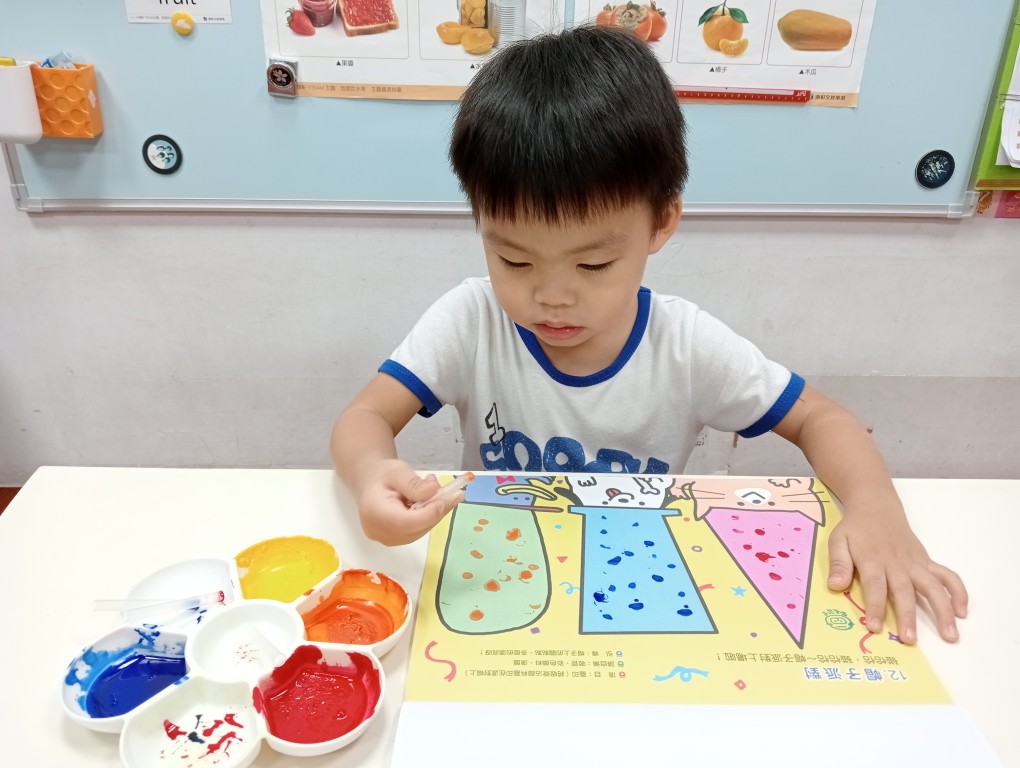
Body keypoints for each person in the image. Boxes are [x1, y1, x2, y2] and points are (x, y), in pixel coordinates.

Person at [331, 24, 967, 645]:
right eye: (514, 260)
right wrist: (371, 473)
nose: (552, 296)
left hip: (638, 590)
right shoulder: (473, 320)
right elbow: (364, 417)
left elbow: (821, 419)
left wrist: (877, 510)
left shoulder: (684, 345)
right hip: (501, 580)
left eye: (593, 265)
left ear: (661, 223)